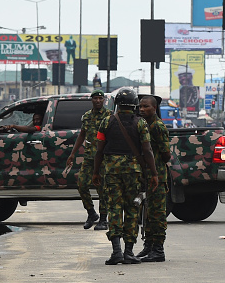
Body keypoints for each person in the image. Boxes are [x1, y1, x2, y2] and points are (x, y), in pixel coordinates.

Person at [93, 88, 158, 265]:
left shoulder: (105, 122)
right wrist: (153, 174)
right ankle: (129, 252)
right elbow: (147, 150)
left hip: (112, 172)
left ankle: (116, 252)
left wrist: (95, 172)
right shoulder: (141, 123)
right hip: (133, 172)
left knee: (114, 208)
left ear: (117, 105)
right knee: (132, 209)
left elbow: (99, 150)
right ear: (135, 104)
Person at [66, 90, 112, 230]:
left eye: (100, 98)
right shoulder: (86, 116)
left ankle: (103, 219)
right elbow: (82, 135)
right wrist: (73, 153)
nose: (98, 101)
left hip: (103, 157)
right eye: (95, 98)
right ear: (91, 100)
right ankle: (91, 213)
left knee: (102, 189)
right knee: (82, 185)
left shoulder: (109, 115)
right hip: (89, 156)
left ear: (104, 100)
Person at [136, 95, 171, 263]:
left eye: (146, 107)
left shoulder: (157, 126)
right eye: (140, 106)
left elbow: (166, 154)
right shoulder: (144, 125)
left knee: (157, 214)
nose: (142, 109)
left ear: (154, 108)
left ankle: (158, 250)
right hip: (147, 176)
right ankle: (148, 245)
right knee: (148, 213)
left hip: (157, 176)